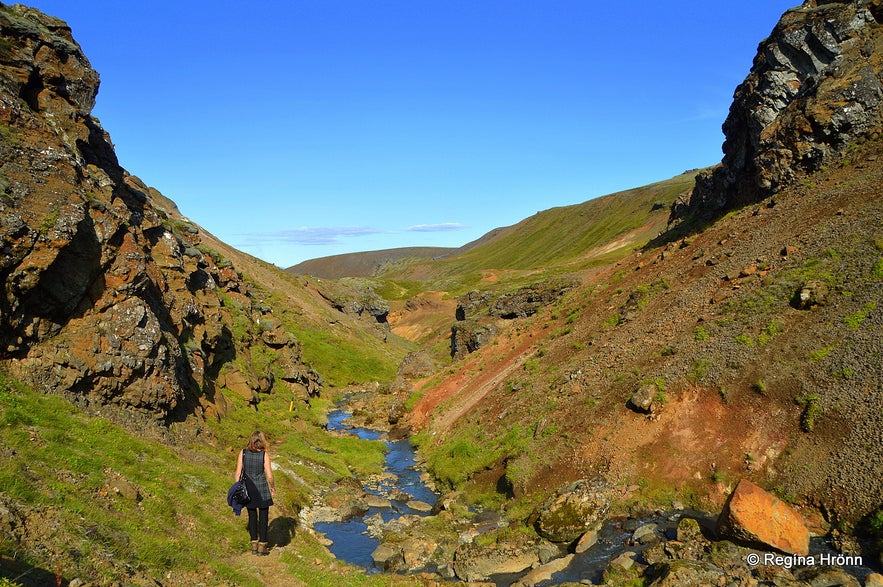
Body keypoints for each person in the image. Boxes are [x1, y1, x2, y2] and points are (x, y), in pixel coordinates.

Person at [233, 430, 276, 555]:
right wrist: (273, 487)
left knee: (252, 516)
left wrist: (238, 487)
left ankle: (253, 545)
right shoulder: (264, 455)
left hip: (248, 489)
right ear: (262, 440)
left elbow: (237, 473)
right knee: (263, 517)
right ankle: (262, 546)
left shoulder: (243, 453)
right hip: (262, 489)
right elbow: (269, 475)